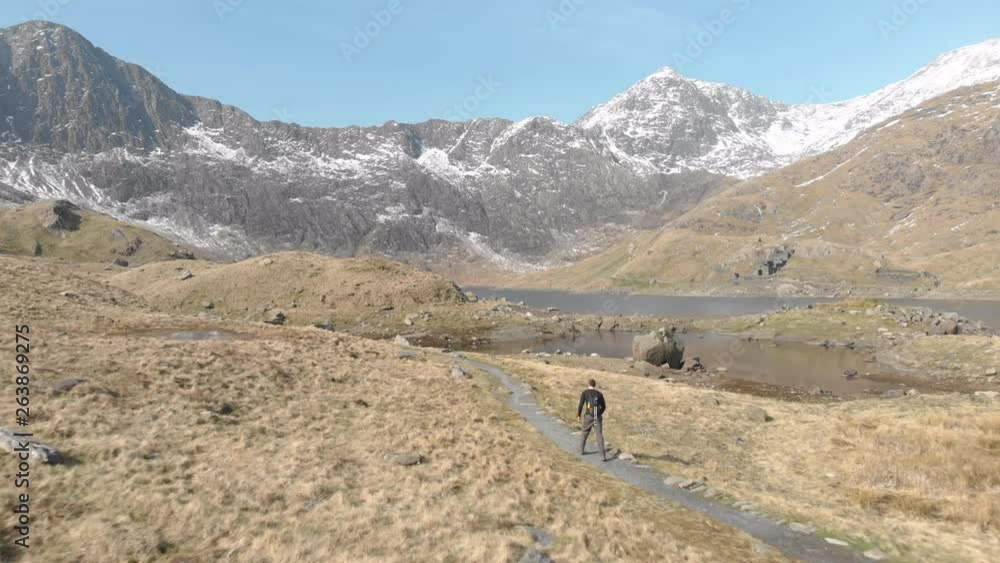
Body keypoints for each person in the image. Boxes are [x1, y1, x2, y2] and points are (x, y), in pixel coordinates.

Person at [577, 378, 608, 461]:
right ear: (595, 385)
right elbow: (604, 406)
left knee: (584, 433)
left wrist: (579, 415)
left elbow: (581, 405)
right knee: (599, 435)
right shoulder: (599, 394)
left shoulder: (585, 393)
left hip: (588, 416)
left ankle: (581, 451)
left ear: (588, 384)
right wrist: (599, 413)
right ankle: (603, 456)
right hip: (597, 417)